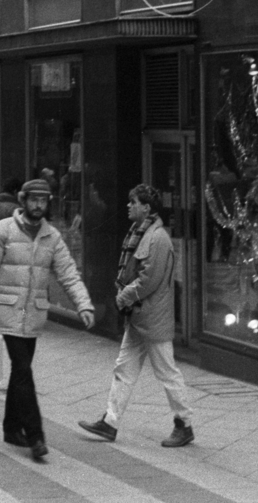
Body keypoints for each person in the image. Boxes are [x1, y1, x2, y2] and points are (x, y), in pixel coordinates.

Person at [0, 178, 95, 462]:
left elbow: (68, 273)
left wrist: (84, 304)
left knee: (21, 372)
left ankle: (10, 427)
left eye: (44, 200)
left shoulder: (52, 237)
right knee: (23, 371)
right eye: (34, 200)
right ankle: (36, 436)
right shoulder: (2, 231)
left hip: (33, 316)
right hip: (7, 311)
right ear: (23, 200)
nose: (39, 205)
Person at [78, 185, 195, 448]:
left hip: (152, 318)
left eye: (133, 202)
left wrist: (123, 296)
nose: (128, 206)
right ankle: (110, 422)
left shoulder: (158, 238)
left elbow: (149, 280)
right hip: (140, 317)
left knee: (166, 372)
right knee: (124, 368)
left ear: (147, 207)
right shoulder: (141, 234)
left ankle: (184, 424)